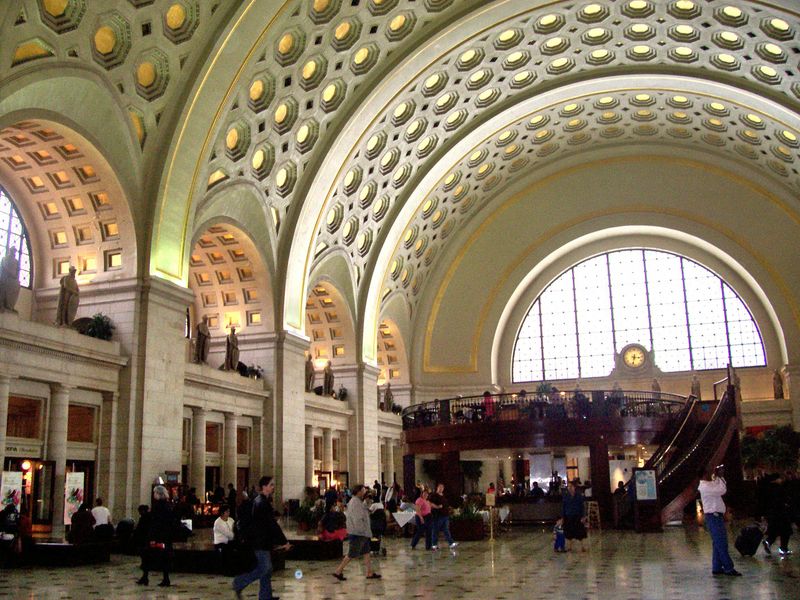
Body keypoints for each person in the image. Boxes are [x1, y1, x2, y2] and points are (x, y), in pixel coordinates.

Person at [232, 475, 291, 600]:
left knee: (266, 570)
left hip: (263, 540)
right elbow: (271, 524)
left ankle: (265, 596)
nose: (273, 487)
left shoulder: (260, 501)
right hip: (259, 541)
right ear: (264, 487)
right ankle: (239, 582)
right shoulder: (262, 503)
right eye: (271, 485)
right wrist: (284, 541)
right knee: (265, 568)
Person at [698, 466, 741, 576]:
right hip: (713, 516)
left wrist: (718, 477)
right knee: (721, 543)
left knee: (717, 543)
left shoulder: (709, 484)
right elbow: (722, 490)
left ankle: (717, 567)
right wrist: (720, 477)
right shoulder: (704, 486)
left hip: (716, 516)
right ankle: (728, 567)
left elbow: (719, 486)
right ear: (704, 474)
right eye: (709, 472)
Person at [332, 484, 381, 581]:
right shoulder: (355, 502)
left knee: (366, 551)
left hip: (362, 532)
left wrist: (367, 503)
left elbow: (365, 511)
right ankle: (338, 570)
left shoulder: (358, 502)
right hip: (358, 532)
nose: (364, 492)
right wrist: (362, 530)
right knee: (352, 553)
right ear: (358, 491)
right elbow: (357, 518)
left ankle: (369, 572)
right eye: (362, 490)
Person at [138, 485, 177, 587]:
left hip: (157, 537)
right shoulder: (168, 505)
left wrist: (152, 538)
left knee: (148, 556)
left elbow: (155, 523)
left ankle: (146, 577)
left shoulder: (158, 506)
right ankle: (163, 578)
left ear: (158, 494)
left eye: (155, 493)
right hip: (166, 536)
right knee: (164, 557)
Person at [761, 473, 793, 556]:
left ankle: (769, 542)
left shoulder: (766, 489)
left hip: (772, 514)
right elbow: (783, 499)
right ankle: (783, 548)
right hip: (781, 513)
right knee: (785, 531)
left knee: (775, 530)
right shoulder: (778, 488)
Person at [428, 483, 458, 550]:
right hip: (438, 516)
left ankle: (451, 543)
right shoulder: (434, 495)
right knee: (435, 530)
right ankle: (434, 545)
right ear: (437, 488)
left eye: (442, 487)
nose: (441, 489)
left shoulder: (443, 496)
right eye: (440, 487)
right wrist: (437, 507)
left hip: (445, 516)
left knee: (446, 530)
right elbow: (429, 503)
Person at [562, 480, 587, 552]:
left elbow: (582, 507)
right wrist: (563, 517)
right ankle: (569, 547)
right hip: (568, 515)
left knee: (580, 532)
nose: (569, 488)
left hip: (577, 516)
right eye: (568, 487)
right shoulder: (566, 496)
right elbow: (564, 507)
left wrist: (583, 516)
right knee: (569, 532)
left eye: (571, 486)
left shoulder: (579, 496)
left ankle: (583, 546)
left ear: (574, 487)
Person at [0, 245, 20, 312]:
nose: (14, 252)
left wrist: (15, 277)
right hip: (5, 278)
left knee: (16, 284)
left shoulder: (16, 262)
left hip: (13, 279)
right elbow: (4, 268)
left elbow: (17, 271)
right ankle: (3, 304)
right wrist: (11, 274)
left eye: (15, 251)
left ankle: (10, 305)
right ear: (10, 251)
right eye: (13, 251)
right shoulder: (4, 259)